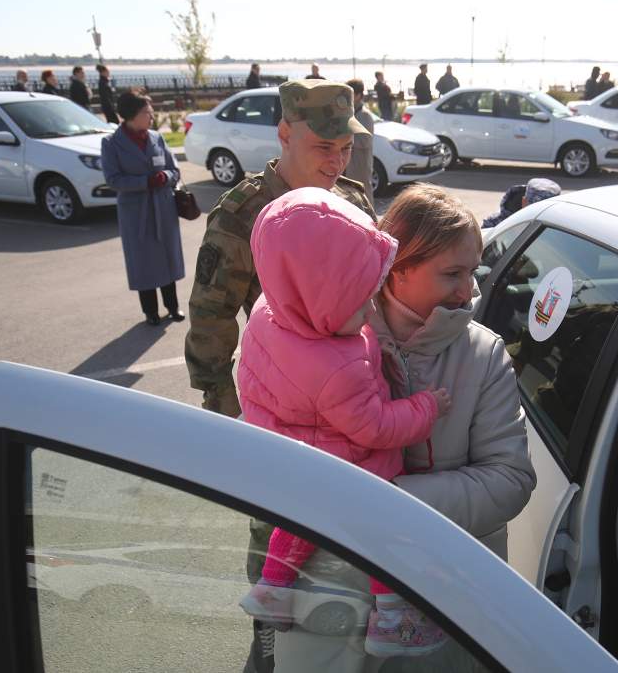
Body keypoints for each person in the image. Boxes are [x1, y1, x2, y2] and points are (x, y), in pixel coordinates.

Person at [267, 183, 536, 669]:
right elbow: (270, 440)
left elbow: (511, 480)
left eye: (472, 272)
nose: (468, 290)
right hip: (334, 585)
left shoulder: (483, 353)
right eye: (451, 274)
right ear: (396, 268)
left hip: (448, 592)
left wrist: (385, 501)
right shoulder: (326, 336)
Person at [185, 79, 373, 673]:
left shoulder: (353, 201)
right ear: (285, 134)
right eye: (325, 148)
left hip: (351, 415)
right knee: (277, 567)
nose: (338, 160)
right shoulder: (244, 213)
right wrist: (233, 432)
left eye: (346, 147)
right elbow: (212, 320)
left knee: (353, 564)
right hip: (281, 421)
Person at [236, 188, 451, 658]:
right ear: (319, 297)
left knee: (298, 522)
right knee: (381, 528)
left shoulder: (268, 314)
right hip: (347, 463)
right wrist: (426, 408)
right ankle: (393, 619)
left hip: (292, 455)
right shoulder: (338, 365)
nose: (370, 313)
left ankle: (271, 589)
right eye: (358, 305)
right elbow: (376, 428)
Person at [100, 92, 185, 325]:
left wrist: (164, 176)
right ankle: (150, 312)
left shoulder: (156, 138)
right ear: (131, 116)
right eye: (147, 112)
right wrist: (145, 182)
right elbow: (113, 179)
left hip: (163, 207)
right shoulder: (111, 143)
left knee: (167, 258)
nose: (152, 116)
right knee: (143, 262)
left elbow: (174, 169)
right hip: (136, 212)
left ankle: (172, 306)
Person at [481, 177, 561, 228]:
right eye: (536, 210)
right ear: (524, 202)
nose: (540, 216)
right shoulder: (496, 223)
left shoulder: (557, 228)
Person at [345, 78, 375, 200]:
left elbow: (365, 141)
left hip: (360, 165)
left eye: (349, 95)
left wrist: (345, 140)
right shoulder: (350, 112)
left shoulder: (365, 115)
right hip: (349, 166)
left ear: (358, 95)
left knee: (364, 197)